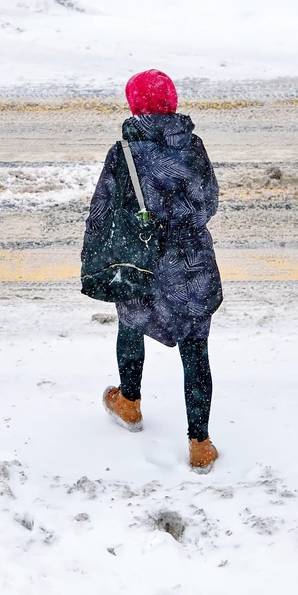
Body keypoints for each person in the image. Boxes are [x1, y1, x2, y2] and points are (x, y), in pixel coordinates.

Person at [84, 69, 224, 473]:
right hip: (191, 263)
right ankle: (200, 444)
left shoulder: (125, 152)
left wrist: (97, 257)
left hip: (141, 258)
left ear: (134, 106)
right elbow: (207, 202)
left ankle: (129, 402)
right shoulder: (193, 147)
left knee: (130, 323)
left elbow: (102, 211)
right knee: (195, 349)